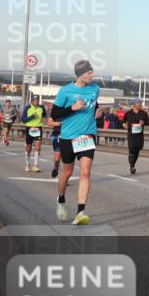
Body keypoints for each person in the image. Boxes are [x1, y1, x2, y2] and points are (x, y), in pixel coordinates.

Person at [52, 60, 101, 226]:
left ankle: (80, 212)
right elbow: (55, 114)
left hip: (87, 135)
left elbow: (94, 102)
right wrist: (72, 108)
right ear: (80, 74)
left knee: (85, 172)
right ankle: (61, 199)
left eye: (92, 72)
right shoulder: (65, 91)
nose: (92, 75)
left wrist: (97, 109)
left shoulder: (95, 89)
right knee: (67, 172)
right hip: (68, 137)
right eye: (89, 73)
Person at [21, 94, 47, 173]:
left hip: (38, 128)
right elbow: (23, 119)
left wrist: (44, 120)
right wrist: (32, 116)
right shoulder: (27, 108)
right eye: (35, 101)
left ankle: (35, 166)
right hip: (29, 128)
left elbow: (45, 116)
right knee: (28, 148)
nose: (36, 102)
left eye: (37, 100)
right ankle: (27, 164)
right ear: (32, 101)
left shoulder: (41, 107)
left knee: (38, 147)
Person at [124, 98, 149, 175]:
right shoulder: (128, 113)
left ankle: (132, 164)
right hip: (131, 134)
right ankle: (132, 166)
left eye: (140, 103)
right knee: (131, 149)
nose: (140, 104)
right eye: (138, 103)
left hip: (139, 135)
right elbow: (123, 122)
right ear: (134, 104)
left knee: (137, 150)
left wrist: (143, 122)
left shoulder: (143, 113)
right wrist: (124, 125)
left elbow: (148, 123)